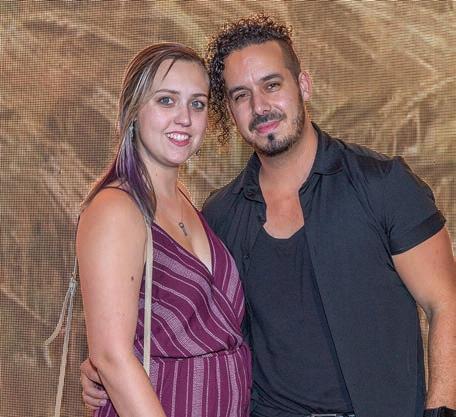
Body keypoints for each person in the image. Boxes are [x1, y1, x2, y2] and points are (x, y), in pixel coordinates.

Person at [81, 15, 456, 417]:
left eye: (272, 85)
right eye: (241, 95)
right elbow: (182, 320)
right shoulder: (220, 215)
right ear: (229, 111)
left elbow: (446, 304)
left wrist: (441, 411)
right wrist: (110, 360)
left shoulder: (383, 186)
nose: (260, 106)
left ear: (303, 85)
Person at [77, 42, 251, 417]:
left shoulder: (191, 204)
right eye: (166, 100)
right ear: (133, 110)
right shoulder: (116, 209)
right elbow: (111, 357)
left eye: (197, 104)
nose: (184, 118)